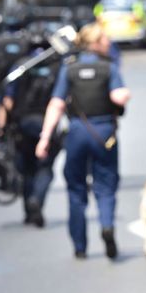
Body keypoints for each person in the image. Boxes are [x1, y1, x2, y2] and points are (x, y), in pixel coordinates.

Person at [36, 23, 130, 260]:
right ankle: (107, 225)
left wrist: (45, 138)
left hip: (77, 131)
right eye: (105, 40)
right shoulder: (109, 68)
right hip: (104, 131)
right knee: (106, 185)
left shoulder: (70, 68)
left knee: (76, 188)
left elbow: (56, 104)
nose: (109, 43)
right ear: (95, 43)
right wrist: (125, 96)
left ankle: (79, 246)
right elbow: (118, 96)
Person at [3, 22, 63, 227]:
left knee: (27, 168)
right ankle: (37, 199)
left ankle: (29, 210)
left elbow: (8, 100)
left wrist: (4, 125)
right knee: (45, 168)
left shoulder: (20, 66)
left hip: (22, 124)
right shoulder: (56, 65)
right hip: (47, 124)